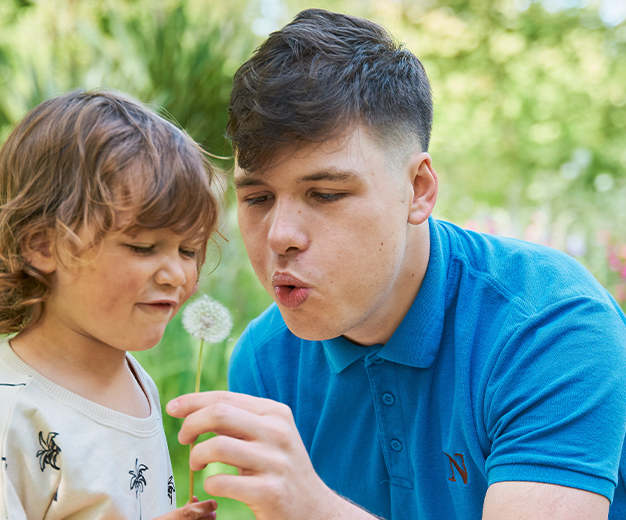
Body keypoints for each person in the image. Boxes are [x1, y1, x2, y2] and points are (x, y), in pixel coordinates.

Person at [166, 8, 626, 520]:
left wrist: (314, 509)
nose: (280, 235)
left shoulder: (550, 326)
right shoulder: (266, 359)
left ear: (418, 191)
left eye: (324, 193)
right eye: (257, 198)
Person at [0, 90, 219, 520]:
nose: (176, 274)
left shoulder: (136, 382)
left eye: (189, 250)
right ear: (42, 245)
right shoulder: (6, 418)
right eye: (143, 246)